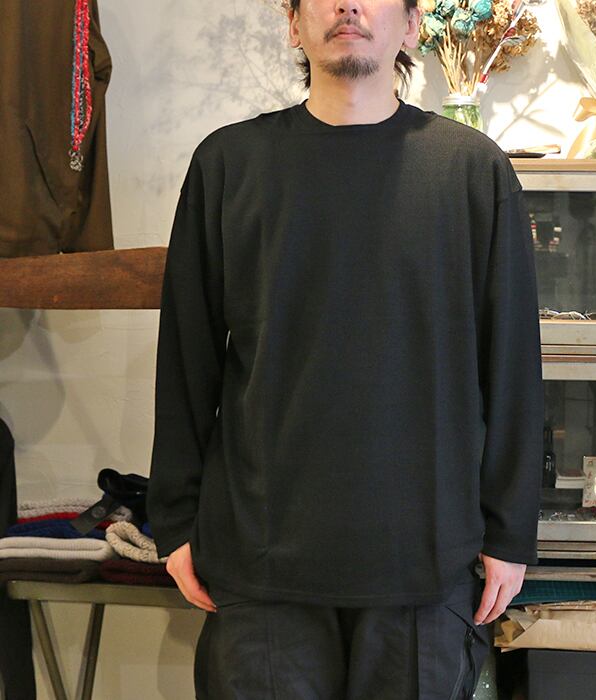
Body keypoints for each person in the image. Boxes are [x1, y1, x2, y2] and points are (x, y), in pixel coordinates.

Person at [146, 0, 544, 697]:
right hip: (261, 563)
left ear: (412, 24)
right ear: (293, 23)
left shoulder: (470, 171)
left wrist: (509, 532)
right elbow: (187, 354)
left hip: (423, 566)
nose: (348, 5)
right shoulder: (229, 164)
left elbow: (512, 365)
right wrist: (173, 518)